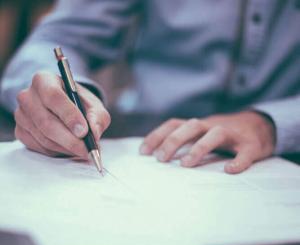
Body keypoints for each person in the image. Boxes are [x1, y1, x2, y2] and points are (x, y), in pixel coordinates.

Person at [0, 0, 299, 174]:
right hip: (148, 142)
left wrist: (271, 124)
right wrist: (52, 97)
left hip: (284, 152)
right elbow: (56, 38)